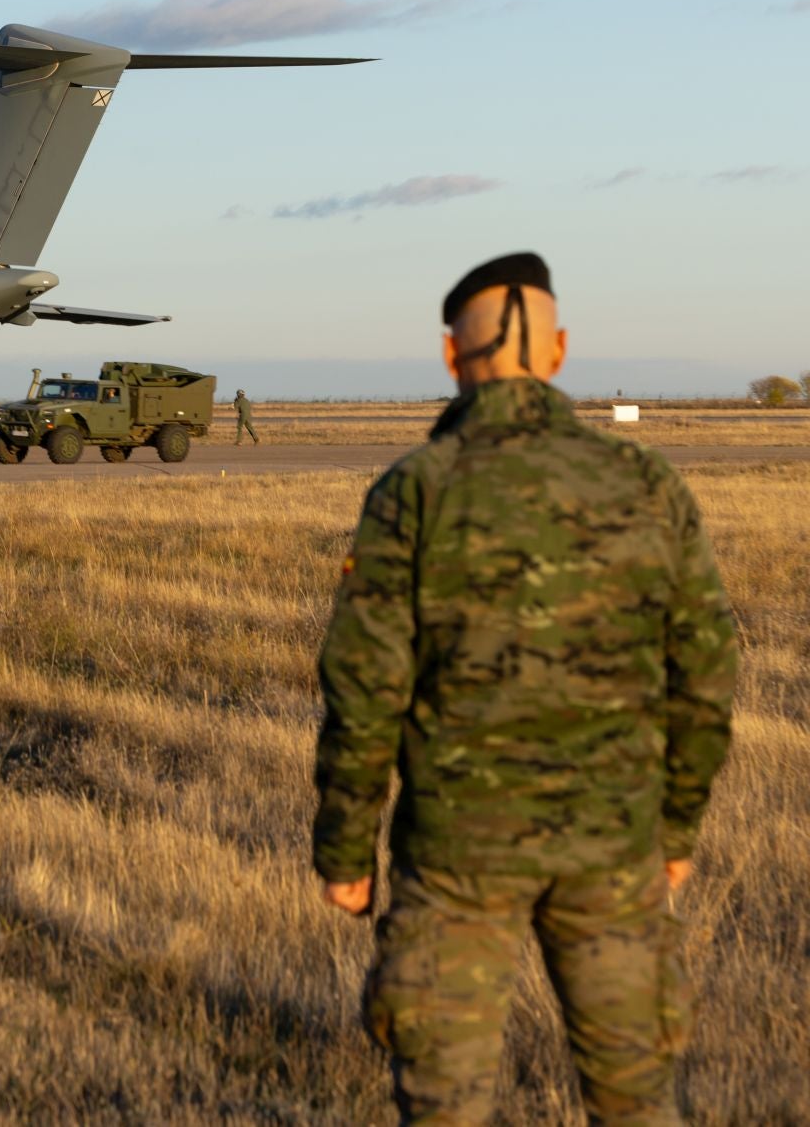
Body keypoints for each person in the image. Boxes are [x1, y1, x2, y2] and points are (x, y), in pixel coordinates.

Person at [311, 252, 738, 1124]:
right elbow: (705, 668)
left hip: (457, 854)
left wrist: (346, 850)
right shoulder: (645, 484)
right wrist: (676, 827)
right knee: (638, 1102)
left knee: (445, 1104)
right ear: (560, 351)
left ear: (448, 357)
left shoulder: (416, 490)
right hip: (612, 847)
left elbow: (366, 683)